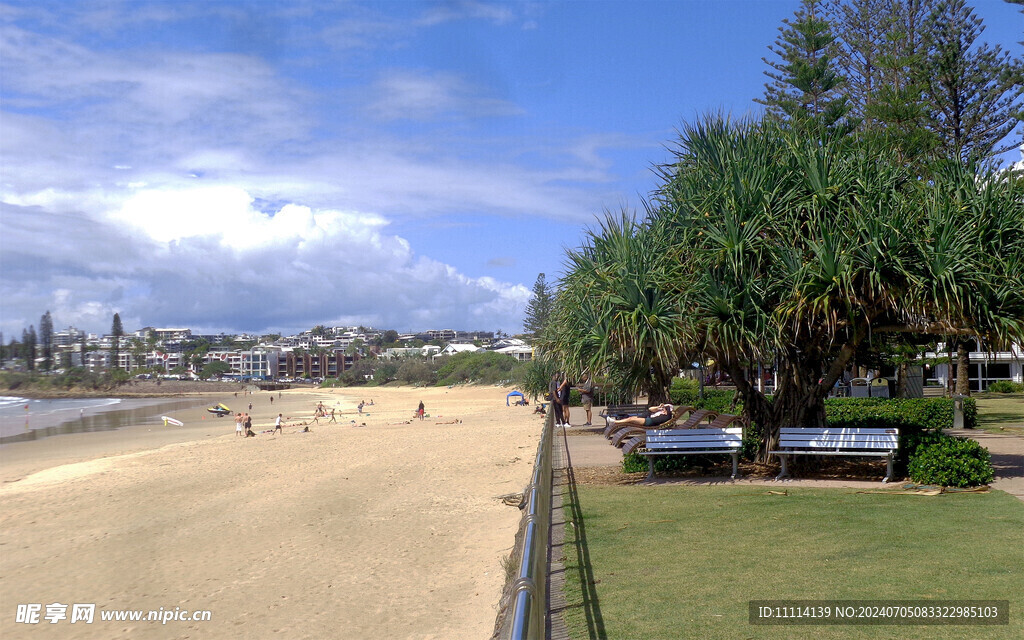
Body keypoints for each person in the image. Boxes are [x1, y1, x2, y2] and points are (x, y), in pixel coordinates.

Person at [605, 403, 675, 429]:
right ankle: (615, 422)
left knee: (630, 419)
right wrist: (658, 407)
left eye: (665, 409)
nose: (664, 409)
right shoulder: (660, 412)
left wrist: (665, 410)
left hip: (649, 421)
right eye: (664, 408)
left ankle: (614, 422)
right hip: (647, 419)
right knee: (630, 418)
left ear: (668, 411)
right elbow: (650, 409)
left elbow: (655, 420)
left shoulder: (666, 416)